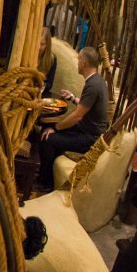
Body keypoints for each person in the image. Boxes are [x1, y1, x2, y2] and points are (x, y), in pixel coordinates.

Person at [36, 46, 110, 192]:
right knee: (47, 128)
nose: (77, 64)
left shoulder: (93, 85)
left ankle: (46, 183)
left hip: (90, 137)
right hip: (86, 129)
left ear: (84, 62)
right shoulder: (97, 80)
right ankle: (48, 172)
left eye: (78, 60)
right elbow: (87, 106)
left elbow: (77, 116)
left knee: (47, 138)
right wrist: (73, 98)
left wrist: (55, 128)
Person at [38, 26, 58, 98]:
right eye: (38, 43)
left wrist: (41, 85)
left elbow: (50, 84)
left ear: (47, 45)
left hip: (40, 92)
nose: (39, 47)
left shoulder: (52, 59)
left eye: (42, 44)